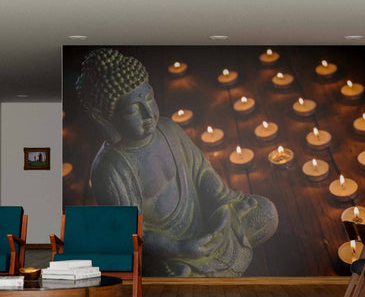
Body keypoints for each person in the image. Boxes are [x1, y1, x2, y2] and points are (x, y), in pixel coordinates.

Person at [76, 48, 278, 277]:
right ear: (104, 118)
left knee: (266, 214)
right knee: (178, 278)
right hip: (168, 250)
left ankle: (207, 267)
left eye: (150, 99)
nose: (148, 114)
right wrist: (179, 248)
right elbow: (131, 232)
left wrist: (221, 208)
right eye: (133, 110)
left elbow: (202, 173)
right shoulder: (110, 169)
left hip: (207, 217)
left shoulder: (169, 129)